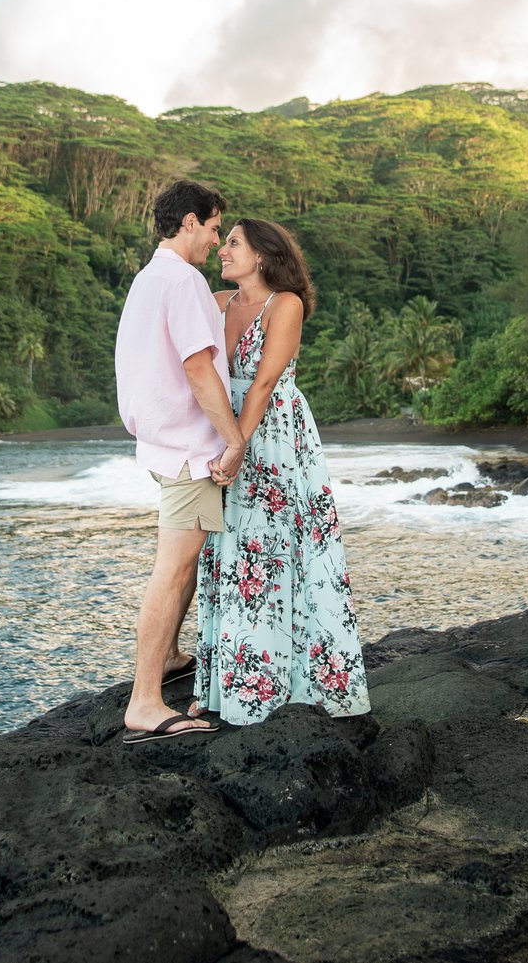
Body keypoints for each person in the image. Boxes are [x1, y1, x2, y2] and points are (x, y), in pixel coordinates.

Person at [193, 218, 370, 725]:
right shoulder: (215, 302)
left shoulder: (285, 305)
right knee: (228, 552)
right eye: (223, 241)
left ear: (262, 255)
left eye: (233, 243)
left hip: (272, 439)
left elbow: (265, 383)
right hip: (223, 433)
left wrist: (237, 447)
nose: (222, 250)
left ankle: (285, 687)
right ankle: (225, 687)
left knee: (274, 551)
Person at [113, 179, 245, 744]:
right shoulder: (185, 281)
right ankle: (144, 700)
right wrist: (234, 439)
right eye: (214, 228)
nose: (216, 241)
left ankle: (167, 655)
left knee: (184, 563)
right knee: (173, 568)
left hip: (159, 444)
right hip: (189, 450)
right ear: (189, 221)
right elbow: (198, 368)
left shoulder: (148, 279)